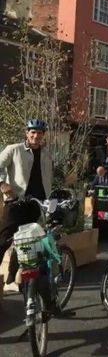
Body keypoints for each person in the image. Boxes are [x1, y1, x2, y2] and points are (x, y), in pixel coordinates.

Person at [0, 119, 52, 282]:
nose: (36, 136)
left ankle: (14, 273)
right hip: (16, 202)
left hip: (36, 203)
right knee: (4, 239)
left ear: (43, 135)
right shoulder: (14, 150)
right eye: (33, 132)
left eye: (39, 133)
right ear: (27, 133)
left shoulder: (46, 153)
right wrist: (2, 184)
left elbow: (51, 174)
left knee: (27, 242)